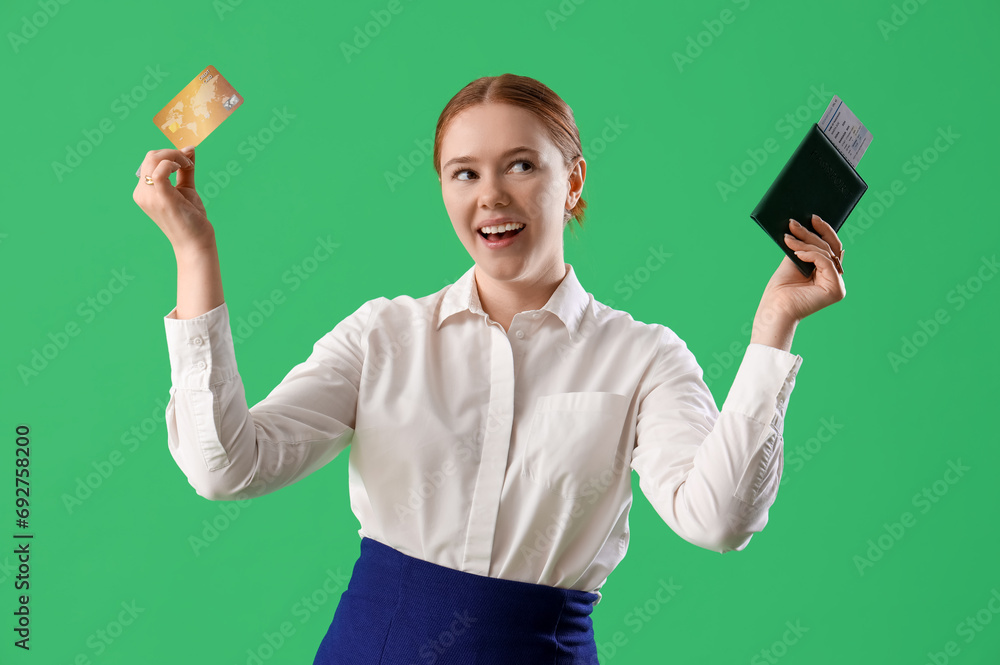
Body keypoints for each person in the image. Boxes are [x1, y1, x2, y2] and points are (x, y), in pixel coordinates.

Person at [132, 73, 846, 664]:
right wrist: (194, 251)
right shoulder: (384, 335)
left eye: (522, 165)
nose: (491, 196)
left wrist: (772, 328)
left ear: (573, 180)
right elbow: (226, 467)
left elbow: (717, 519)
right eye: (463, 172)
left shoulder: (644, 357)